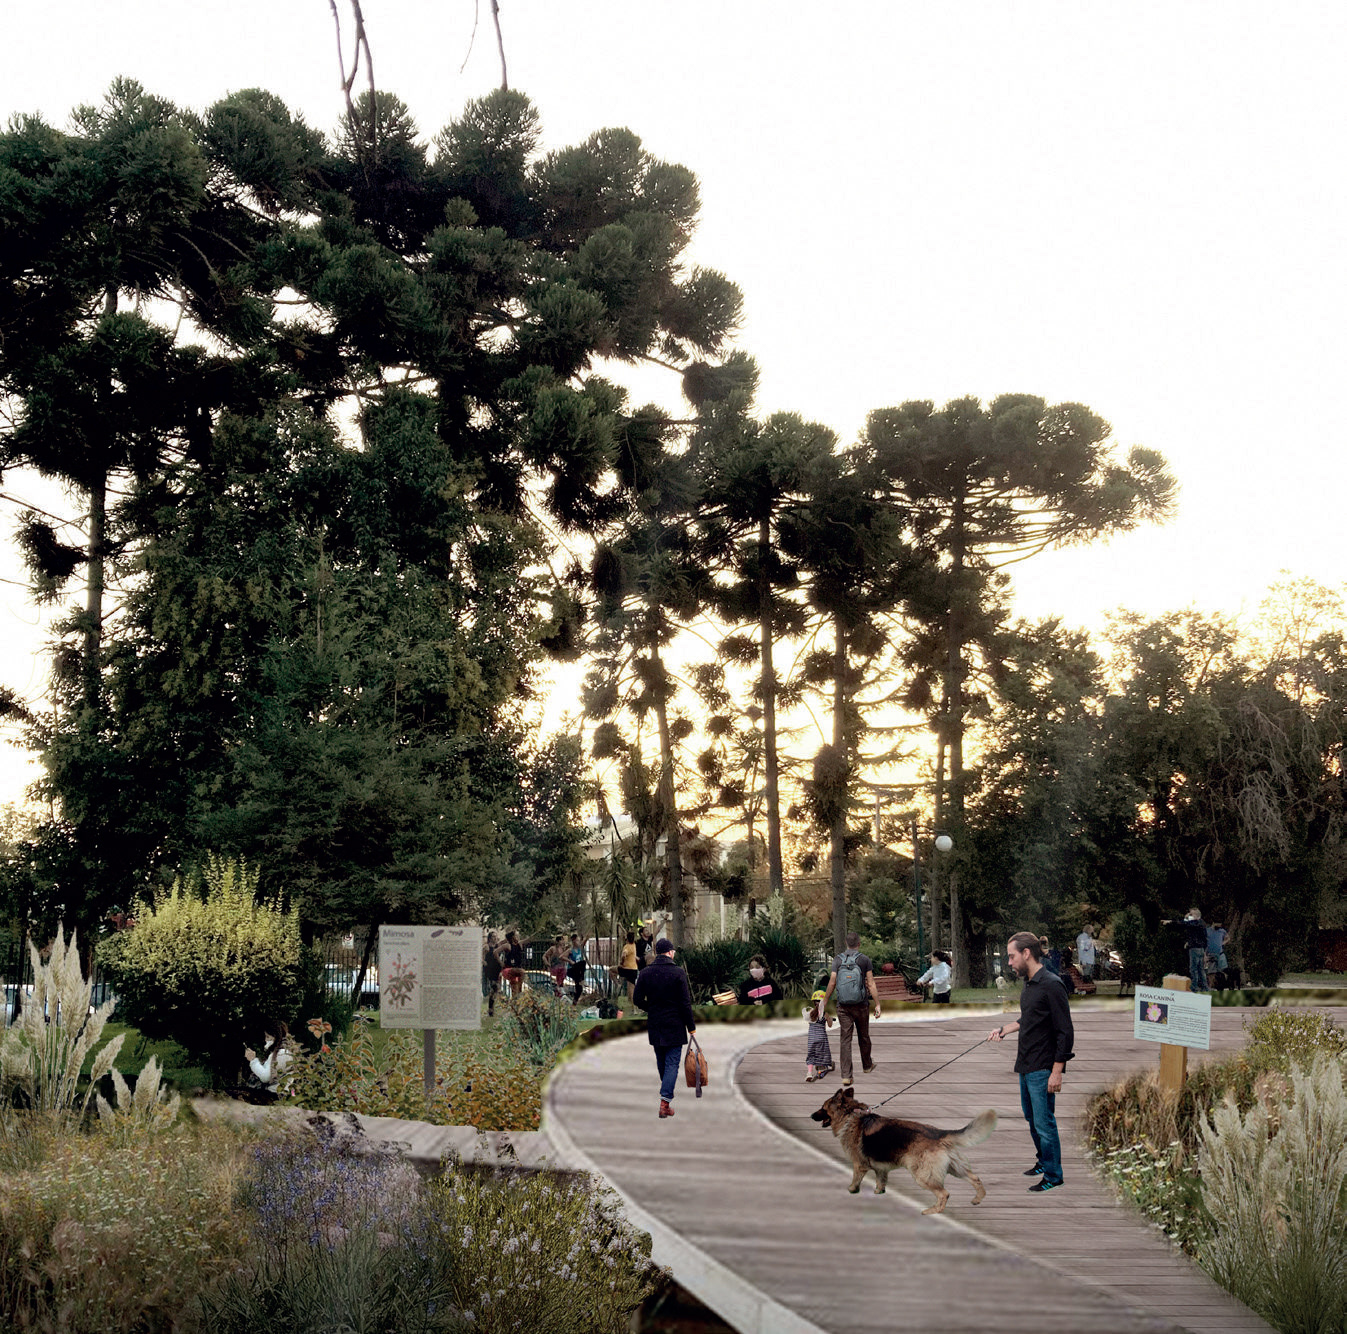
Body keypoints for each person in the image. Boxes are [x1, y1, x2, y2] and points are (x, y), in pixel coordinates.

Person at [987, 931, 1074, 1192]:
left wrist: (1057, 1071)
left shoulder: (1052, 984)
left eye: (1012, 956)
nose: (1010, 962)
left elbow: (1065, 1031)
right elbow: (1030, 1019)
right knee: (1031, 1117)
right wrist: (1004, 1029)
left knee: (1044, 1123)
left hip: (1043, 1067)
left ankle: (1053, 1176)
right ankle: (1042, 1161)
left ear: (1026, 953)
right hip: (1025, 1063)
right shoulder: (1030, 983)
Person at [632, 937, 697, 1118]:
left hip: (655, 1023)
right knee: (671, 1064)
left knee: (662, 1062)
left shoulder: (645, 973)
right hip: (675, 1024)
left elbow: (637, 1000)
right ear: (669, 952)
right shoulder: (678, 973)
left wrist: (651, 1008)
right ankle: (665, 1100)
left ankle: (665, 1098)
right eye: (673, 951)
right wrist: (691, 1027)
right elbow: (685, 1003)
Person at [819, 932, 881, 1087]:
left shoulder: (838, 960)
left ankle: (846, 1076)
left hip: (843, 1007)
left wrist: (825, 1001)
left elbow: (832, 982)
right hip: (861, 1005)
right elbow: (871, 983)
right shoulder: (864, 959)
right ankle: (867, 1065)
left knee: (845, 1040)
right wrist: (878, 1004)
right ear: (858, 943)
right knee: (864, 1036)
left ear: (846, 944)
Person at [244, 1019, 294, 1101]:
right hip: (276, 1093)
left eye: (267, 1037)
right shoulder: (280, 1052)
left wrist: (253, 1060)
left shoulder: (282, 1053)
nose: (265, 1040)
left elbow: (266, 1077)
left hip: (276, 1095)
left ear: (275, 1036)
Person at [803, 975, 835, 1082]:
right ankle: (821, 1070)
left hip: (811, 1038)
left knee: (811, 1054)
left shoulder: (809, 1013)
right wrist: (829, 1018)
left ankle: (809, 1073)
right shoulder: (824, 1014)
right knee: (823, 1053)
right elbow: (830, 1025)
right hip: (821, 1038)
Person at [1182, 909, 1209, 992]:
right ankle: (1204, 986)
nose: (1190, 916)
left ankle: (1194, 986)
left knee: (1194, 968)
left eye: (1191, 914)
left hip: (1195, 948)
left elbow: (1186, 924)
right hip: (1201, 948)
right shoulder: (1202, 923)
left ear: (1196, 916)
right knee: (1200, 969)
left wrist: (1186, 918)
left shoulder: (1196, 923)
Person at [498, 930, 525, 998]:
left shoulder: (519, 944)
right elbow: (495, 952)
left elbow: (528, 939)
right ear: (513, 937)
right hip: (508, 969)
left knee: (514, 991)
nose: (518, 937)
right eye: (516, 935)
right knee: (522, 972)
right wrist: (501, 963)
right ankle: (520, 991)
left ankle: (514, 1003)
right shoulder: (507, 945)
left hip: (515, 970)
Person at [481, 931, 503, 1017]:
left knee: (495, 989)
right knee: (492, 988)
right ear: (490, 938)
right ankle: (490, 1008)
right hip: (489, 969)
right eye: (493, 936)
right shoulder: (486, 947)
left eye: (496, 936)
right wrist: (483, 961)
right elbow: (481, 956)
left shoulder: (498, 946)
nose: (495, 938)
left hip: (496, 969)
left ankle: (491, 1008)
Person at [566, 933, 588, 1005]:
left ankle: (574, 1003)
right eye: (578, 941)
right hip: (572, 969)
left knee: (579, 989)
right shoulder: (570, 950)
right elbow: (561, 957)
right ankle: (582, 979)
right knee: (583, 962)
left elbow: (584, 941)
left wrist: (587, 936)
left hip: (577, 971)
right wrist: (570, 961)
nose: (579, 942)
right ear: (574, 941)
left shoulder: (580, 949)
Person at [617, 930, 639, 1001]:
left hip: (626, 969)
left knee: (611, 970)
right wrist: (621, 927)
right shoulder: (634, 945)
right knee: (631, 989)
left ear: (626, 939)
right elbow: (626, 933)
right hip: (634, 969)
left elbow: (624, 955)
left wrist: (621, 962)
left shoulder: (627, 946)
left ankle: (617, 984)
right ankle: (633, 1007)